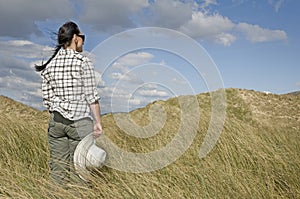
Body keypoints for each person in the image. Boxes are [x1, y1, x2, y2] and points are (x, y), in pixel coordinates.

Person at [35, 21, 103, 185]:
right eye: (82, 37)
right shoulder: (83, 62)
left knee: (58, 169)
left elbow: (47, 97)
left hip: (56, 122)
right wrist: (98, 122)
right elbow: (91, 96)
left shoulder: (50, 65)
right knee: (80, 171)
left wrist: (58, 113)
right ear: (75, 38)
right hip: (79, 123)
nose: (83, 41)